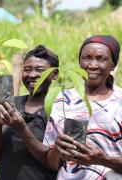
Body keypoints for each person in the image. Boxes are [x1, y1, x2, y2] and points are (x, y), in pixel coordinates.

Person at [44, 35, 122, 179]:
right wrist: (58, 148)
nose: (92, 65)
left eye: (101, 59)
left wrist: (101, 159)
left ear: (113, 65)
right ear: (79, 62)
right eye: (87, 58)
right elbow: (52, 164)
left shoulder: (119, 101)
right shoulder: (62, 99)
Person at [0, 45, 59, 180]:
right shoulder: (13, 103)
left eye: (40, 70)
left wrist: (22, 128)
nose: (32, 75)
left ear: (54, 74)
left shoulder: (58, 109)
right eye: (27, 70)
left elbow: (54, 163)